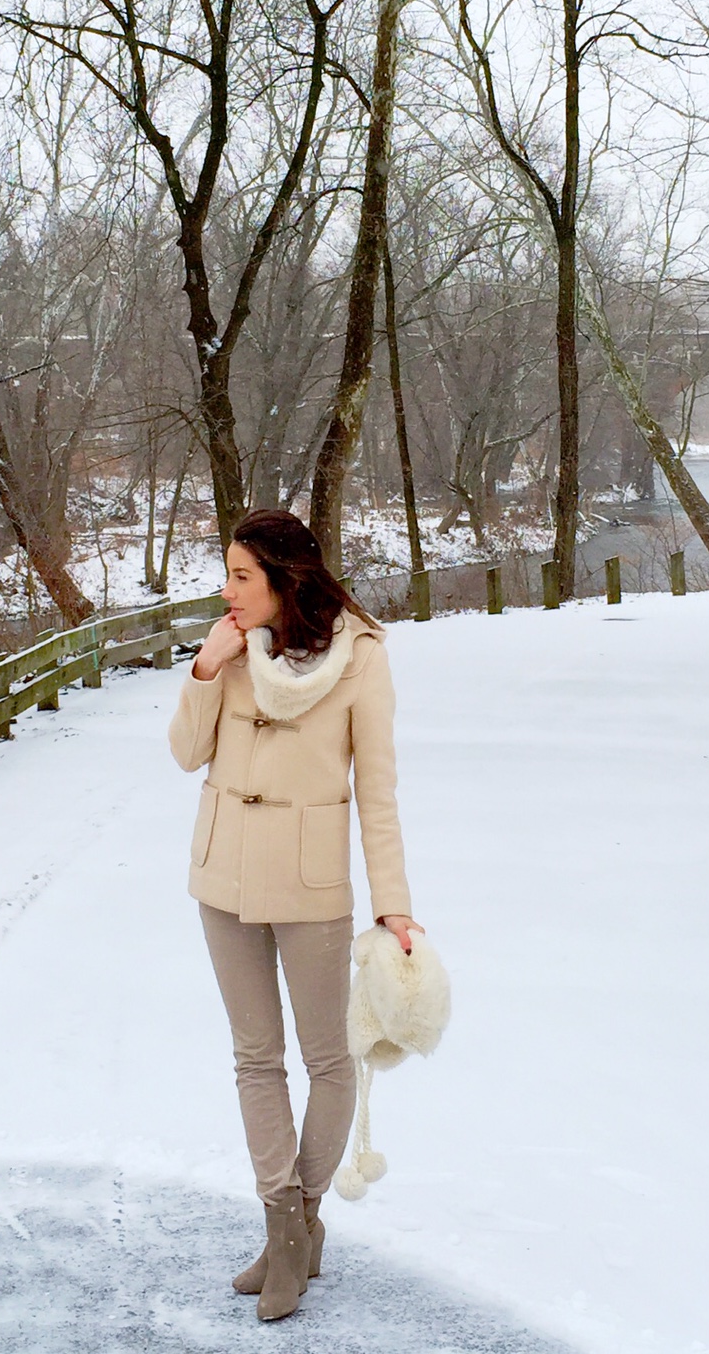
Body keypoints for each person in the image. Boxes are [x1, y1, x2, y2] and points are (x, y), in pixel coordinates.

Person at [169, 509, 423, 1323]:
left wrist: (395, 908)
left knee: (331, 1061)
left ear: (287, 579)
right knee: (254, 1059)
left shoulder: (360, 657)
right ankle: (284, 1227)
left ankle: (302, 1219)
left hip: (310, 883)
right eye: (227, 573)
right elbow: (184, 753)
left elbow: (377, 793)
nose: (227, 589)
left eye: (242, 575)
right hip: (223, 872)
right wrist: (207, 669)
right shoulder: (233, 646)